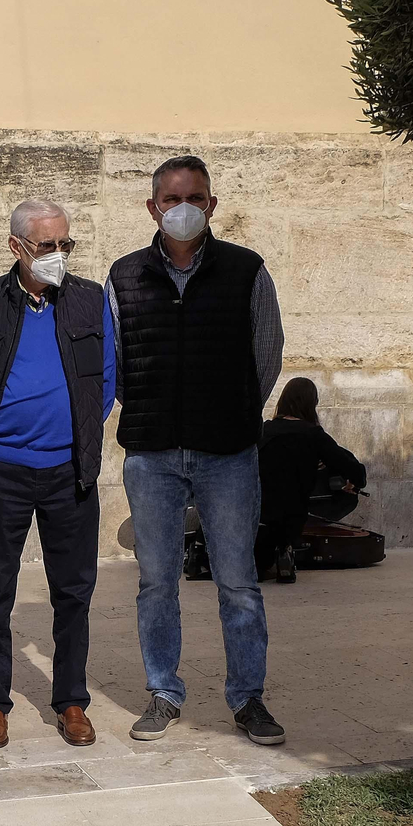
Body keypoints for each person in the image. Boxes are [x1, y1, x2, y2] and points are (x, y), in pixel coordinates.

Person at [107, 156, 285, 747]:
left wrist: (233, 413)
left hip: (227, 453)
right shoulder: (124, 275)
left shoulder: (246, 270)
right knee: (156, 582)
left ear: (212, 204)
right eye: (171, 198)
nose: (183, 208)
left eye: (196, 198)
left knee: (237, 583)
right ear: (152, 206)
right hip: (152, 454)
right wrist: (151, 409)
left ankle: (248, 699)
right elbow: (120, 363)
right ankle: (163, 692)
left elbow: (267, 355)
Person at [0, 198, 114, 750]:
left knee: (74, 592)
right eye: (45, 245)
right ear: (16, 247)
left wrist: (72, 431)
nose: (56, 255)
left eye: (64, 244)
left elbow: (106, 381)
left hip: (69, 472)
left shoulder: (91, 301)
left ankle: (71, 700)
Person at [255, 377, 366, 584]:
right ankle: (285, 547)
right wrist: (348, 480)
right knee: (346, 495)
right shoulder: (313, 435)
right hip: (294, 515)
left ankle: (272, 555)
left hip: (258, 515)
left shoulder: (264, 431)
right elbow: (356, 470)